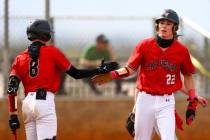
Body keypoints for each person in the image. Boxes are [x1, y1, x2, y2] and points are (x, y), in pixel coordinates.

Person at [92, 9, 202, 140]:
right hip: (145, 100)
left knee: (169, 138)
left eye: (168, 23)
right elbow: (129, 69)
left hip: (166, 102)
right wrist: (113, 74)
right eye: (161, 22)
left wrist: (192, 100)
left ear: (174, 27)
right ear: (157, 26)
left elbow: (188, 76)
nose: (163, 26)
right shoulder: (144, 45)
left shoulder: (182, 51)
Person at [7, 19, 118, 140]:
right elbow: (76, 74)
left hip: (27, 104)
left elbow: (12, 87)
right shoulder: (53, 52)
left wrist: (13, 114)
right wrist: (99, 70)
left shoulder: (20, 58)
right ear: (45, 34)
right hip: (44, 102)